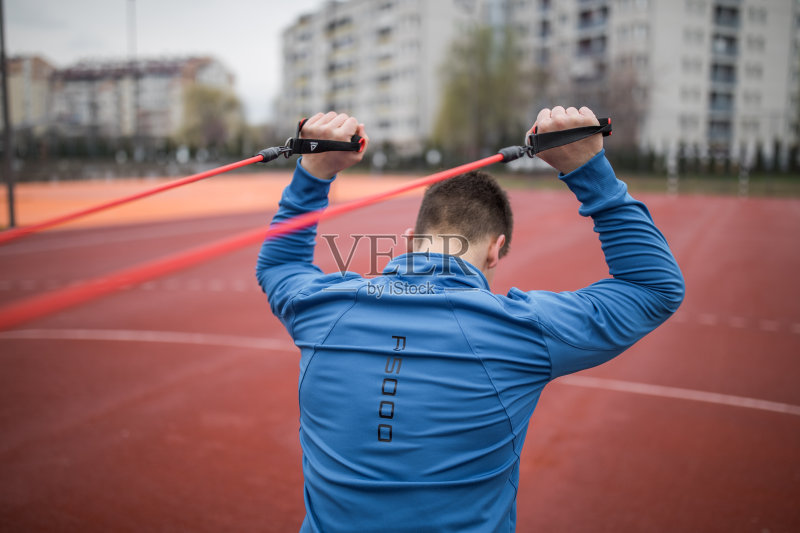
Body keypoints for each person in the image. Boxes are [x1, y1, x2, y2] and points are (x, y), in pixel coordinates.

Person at [256, 107, 684, 532]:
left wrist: (314, 170)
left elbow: (279, 265)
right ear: (496, 250)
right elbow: (654, 288)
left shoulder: (323, 307)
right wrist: (590, 169)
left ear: (409, 241)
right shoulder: (521, 331)